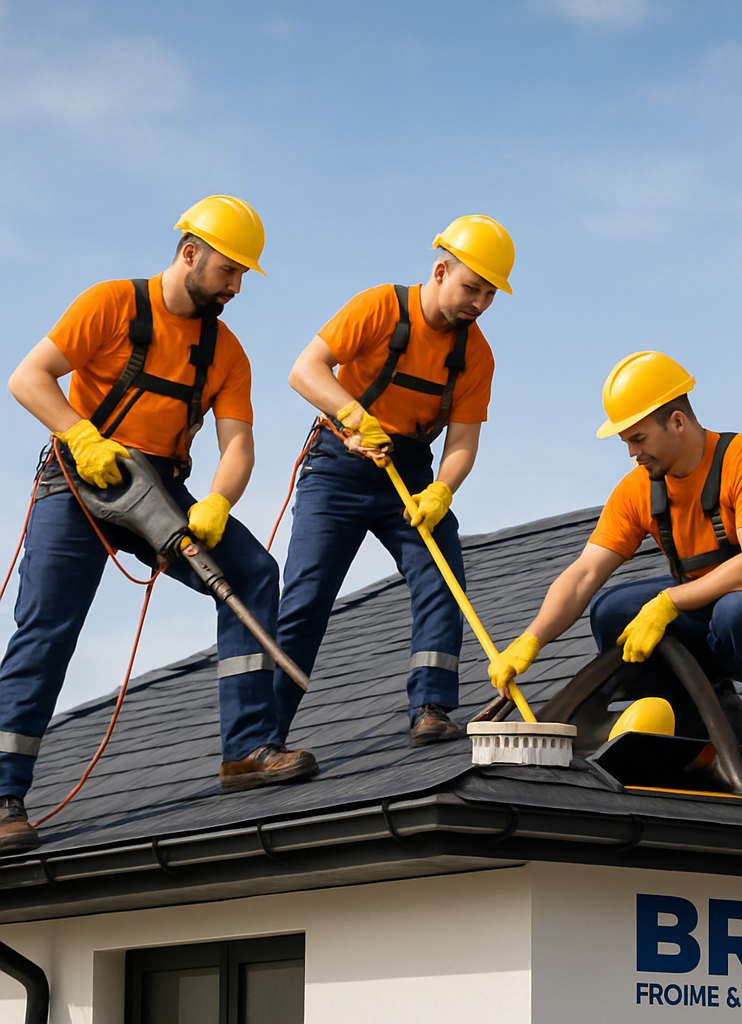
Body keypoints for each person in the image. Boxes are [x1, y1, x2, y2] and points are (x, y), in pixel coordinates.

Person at [0, 196, 319, 856]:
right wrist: (81, 436)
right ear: (190, 253)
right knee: (48, 629)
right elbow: (28, 379)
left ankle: (247, 752)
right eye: (230, 272)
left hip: (162, 495)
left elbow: (238, 447)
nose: (235, 288)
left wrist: (217, 504)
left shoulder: (225, 351)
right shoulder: (111, 305)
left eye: (241, 278)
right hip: (79, 481)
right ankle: (3, 794)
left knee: (253, 574)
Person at [489, 351, 742, 788]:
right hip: (713, 619)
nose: (632, 453)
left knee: (738, 611)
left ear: (677, 422)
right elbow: (584, 574)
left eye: (638, 438)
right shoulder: (637, 490)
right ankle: (708, 728)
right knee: (614, 610)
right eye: (626, 442)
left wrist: (668, 601)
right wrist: (530, 640)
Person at [273, 216, 514, 747]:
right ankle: (266, 733)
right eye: (471, 288)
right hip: (337, 467)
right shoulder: (381, 307)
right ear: (439, 270)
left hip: (410, 475)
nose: (478, 303)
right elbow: (306, 370)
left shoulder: (476, 356)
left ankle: (430, 707)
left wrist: (442, 491)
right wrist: (353, 417)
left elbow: (463, 443)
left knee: (441, 576)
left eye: (489, 294)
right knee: (307, 597)